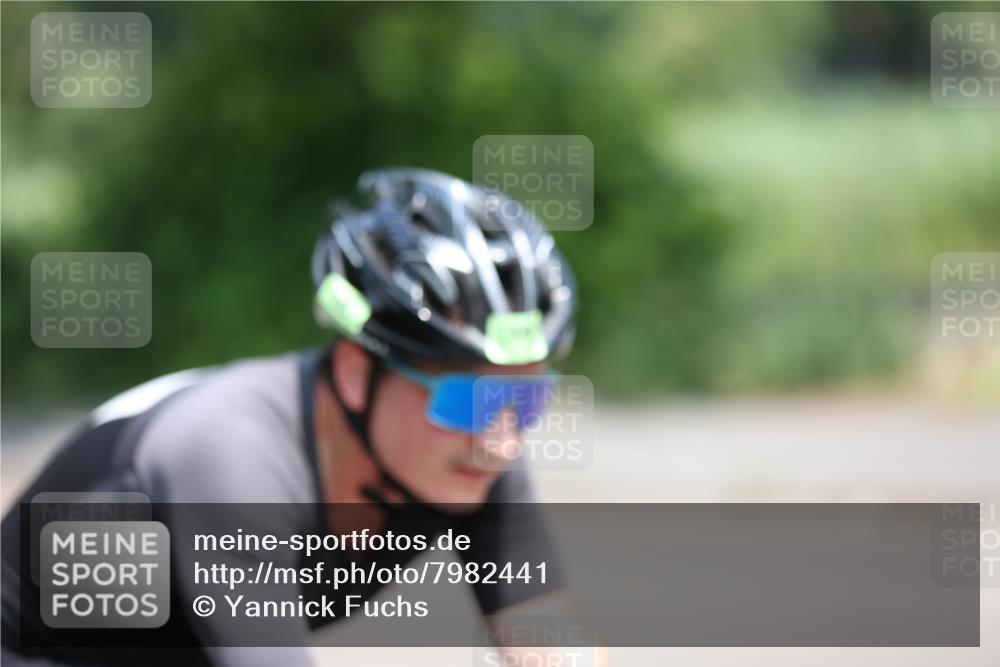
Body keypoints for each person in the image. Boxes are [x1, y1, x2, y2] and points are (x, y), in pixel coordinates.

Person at [1, 169, 597, 666]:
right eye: (465, 402)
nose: (499, 442)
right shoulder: (230, 455)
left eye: (524, 401)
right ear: (356, 373)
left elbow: (549, 644)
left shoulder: (472, 455)